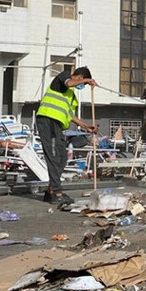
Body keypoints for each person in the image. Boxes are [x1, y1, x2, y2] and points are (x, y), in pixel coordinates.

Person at [36, 66, 99, 205]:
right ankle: (57, 193)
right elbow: (69, 82)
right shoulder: (63, 77)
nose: (81, 86)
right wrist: (89, 80)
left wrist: (86, 127)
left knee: (63, 157)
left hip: (56, 125)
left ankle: (50, 190)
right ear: (80, 77)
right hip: (47, 120)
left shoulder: (70, 96)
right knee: (53, 156)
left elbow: (70, 115)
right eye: (82, 83)